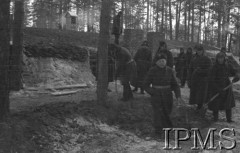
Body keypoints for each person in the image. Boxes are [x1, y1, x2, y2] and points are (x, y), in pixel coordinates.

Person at [144, 53, 182, 136]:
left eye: (163, 61)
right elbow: (145, 85)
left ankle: (167, 128)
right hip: (156, 95)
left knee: (167, 111)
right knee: (158, 112)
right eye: (160, 61)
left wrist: (178, 96)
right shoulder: (152, 70)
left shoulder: (170, 70)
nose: (162, 63)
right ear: (156, 62)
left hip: (167, 94)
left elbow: (175, 85)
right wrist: (152, 92)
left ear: (166, 61)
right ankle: (158, 130)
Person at [207, 52, 239, 122]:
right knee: (216, 104)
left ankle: (229, 119)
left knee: (228, 103)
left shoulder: (228, 65)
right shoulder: (214, 67)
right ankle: (215, 118)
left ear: (224, 58)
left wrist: (236, 77)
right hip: (216, 87)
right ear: (217, 59)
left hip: (226, 86)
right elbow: (211, 80)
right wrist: (218, 89)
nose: (220, 60)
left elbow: (235, 72)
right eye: (219, 58)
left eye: (222, 58)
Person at [188, 44, 212, 110]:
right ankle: (198, 106)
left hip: (203, 80)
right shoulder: (193, 58)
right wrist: (189, 80)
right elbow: (190, 69)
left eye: (200, 50)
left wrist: (201, 71)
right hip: (195, 79)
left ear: (203, 51)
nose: (199, 52)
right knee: (195, 94)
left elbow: (210, 70)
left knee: (202, 95)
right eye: (198, 50)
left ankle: (200, 107)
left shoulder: (207, 59)